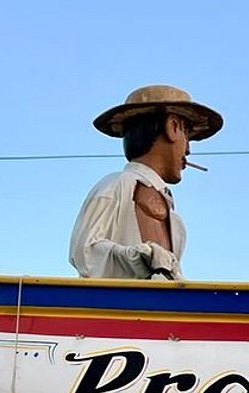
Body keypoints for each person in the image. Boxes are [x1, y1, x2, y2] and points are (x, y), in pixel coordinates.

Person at [70, 85, 222, 280]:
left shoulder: (177, 225)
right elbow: (84, 253)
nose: (188, 150)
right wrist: (135, 257)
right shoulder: (114, 187)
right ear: (173, 127)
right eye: (186, 134)